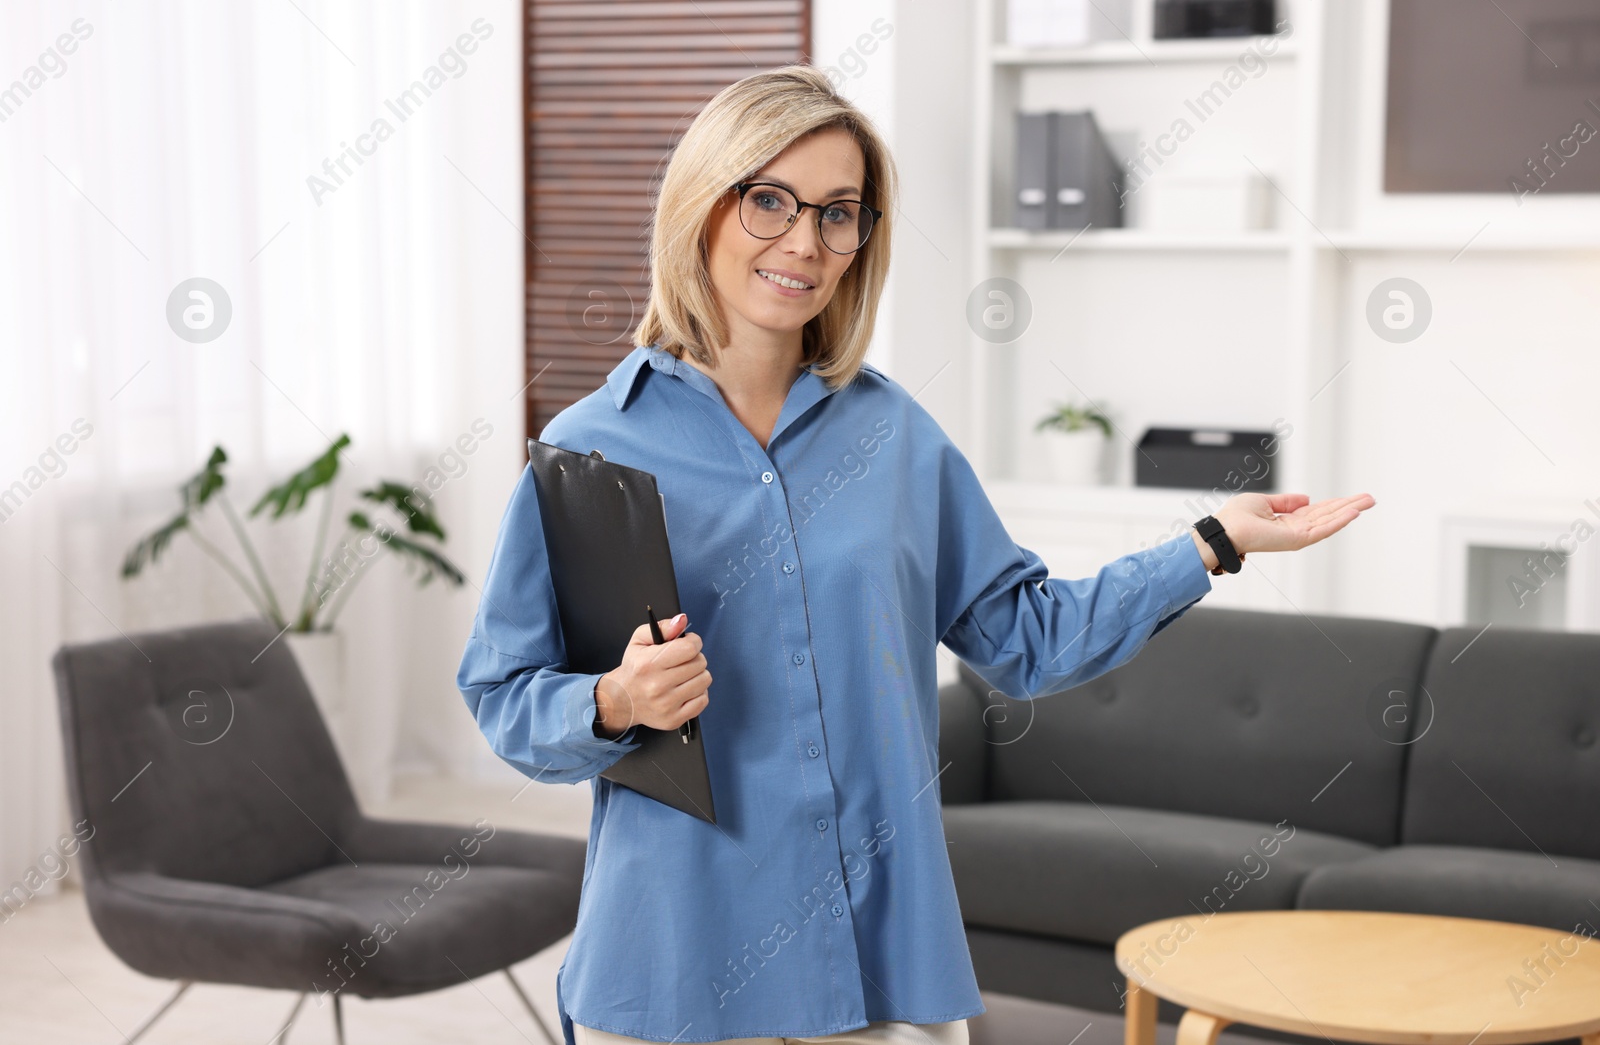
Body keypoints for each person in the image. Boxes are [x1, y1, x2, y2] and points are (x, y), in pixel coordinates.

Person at [455, 64, 1375, 1045]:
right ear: (702, 206)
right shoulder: (594, 447)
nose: (804, 242)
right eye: (769, 200)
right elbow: (503, 691)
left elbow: (1025, 638)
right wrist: (612, 701)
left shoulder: (894, 436)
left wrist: (1213, 541)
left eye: (838, 212)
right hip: (677, 961)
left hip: (875, 953)